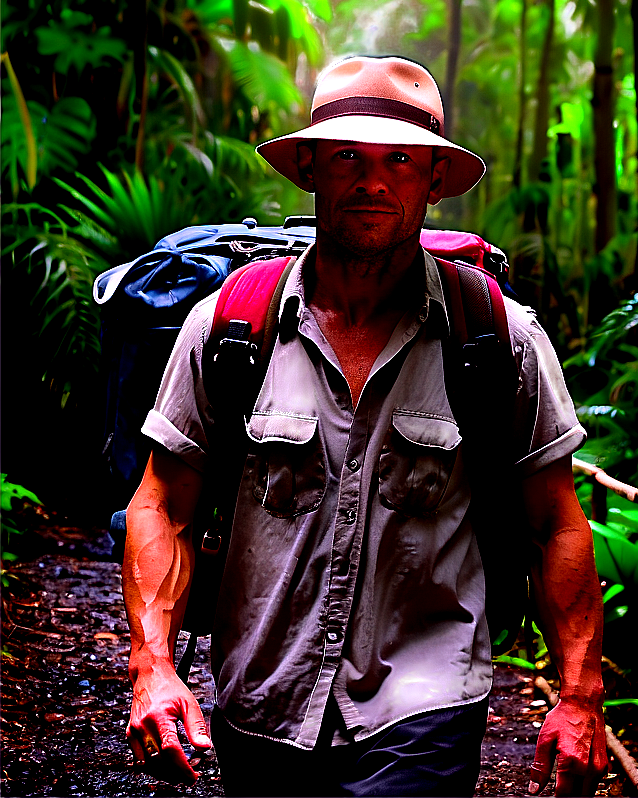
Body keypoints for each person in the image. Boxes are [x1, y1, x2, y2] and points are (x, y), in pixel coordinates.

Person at [122, 55, 606, 797]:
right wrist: (152, 666)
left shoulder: (497, 338)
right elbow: (163, 504)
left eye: (401, 160)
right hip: (261, 704)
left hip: (426, 708)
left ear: (434, 180)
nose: (373, 182)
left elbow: (554, 522)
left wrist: (579, 694)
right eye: (348, 155)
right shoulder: (229, 329)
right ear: (311, 168)